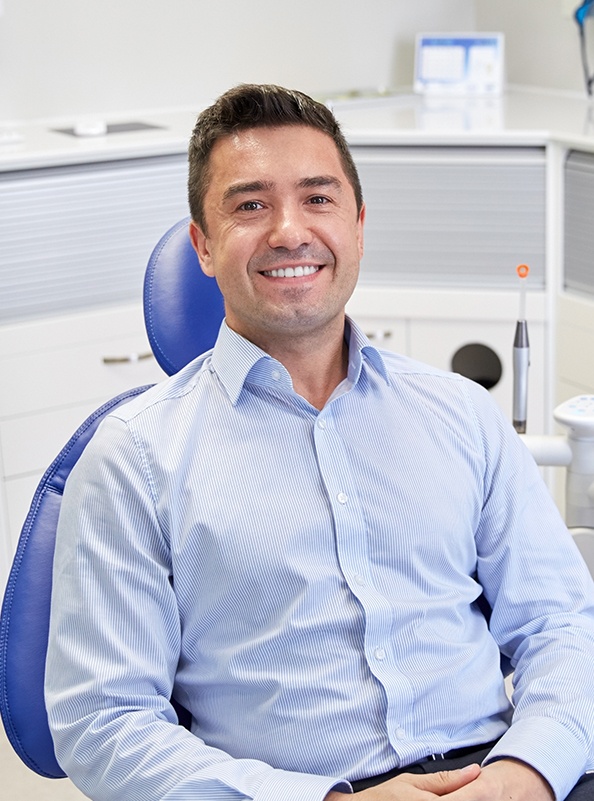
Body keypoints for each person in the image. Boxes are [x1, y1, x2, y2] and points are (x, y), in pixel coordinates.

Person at [45, 84, 594, 801]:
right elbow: (104, 720)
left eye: (318, 198)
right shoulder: (134, 458)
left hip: (506, 775)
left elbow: (562, 623)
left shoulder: (461, 413)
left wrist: (529, 770)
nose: (288, 231)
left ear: (359, 226)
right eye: (249, 205)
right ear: (203, 246)